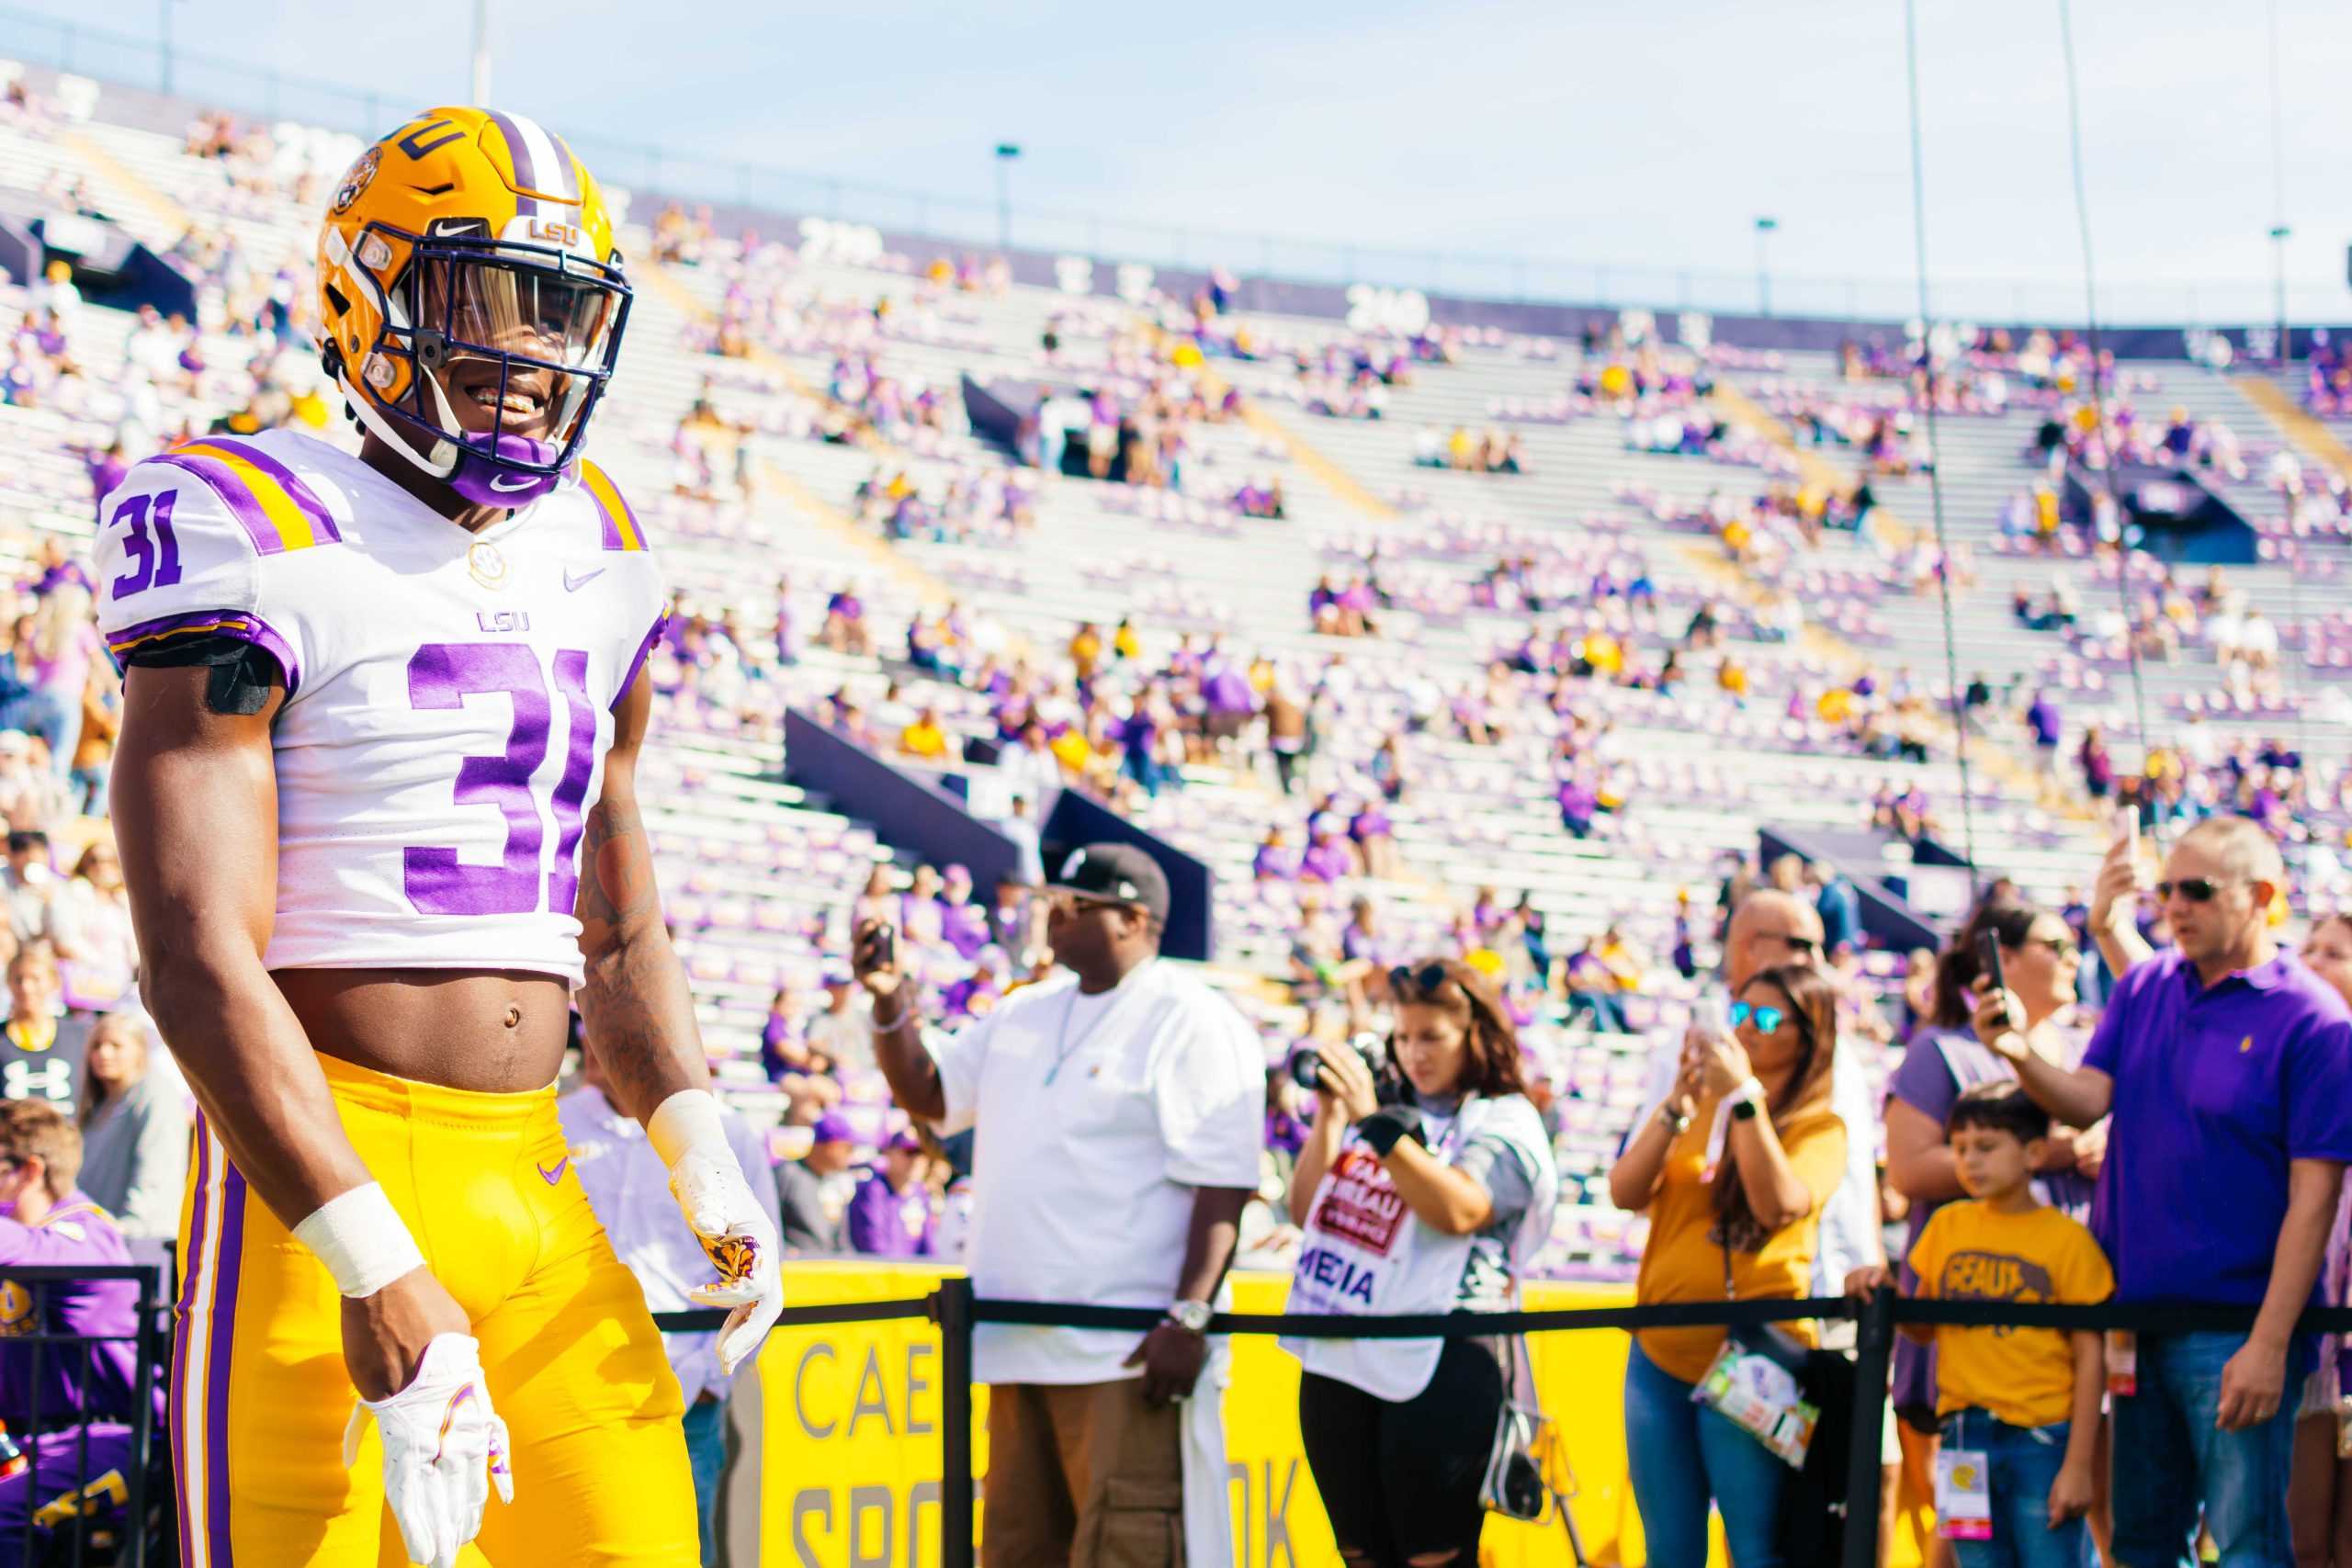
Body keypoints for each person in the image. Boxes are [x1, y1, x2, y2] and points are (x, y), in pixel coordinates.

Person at [102, 112, 780, 1567]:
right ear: (369, 294)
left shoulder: (596, 533)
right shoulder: (242, 512)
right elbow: (191, 948)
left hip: (538, 1185)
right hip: (308, 1195)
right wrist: (372, 1261)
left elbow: (615, 914)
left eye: (561, 309)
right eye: (488, 299)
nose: (531, 350)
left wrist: (694, 1135)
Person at [858, 842, 1261, 1566]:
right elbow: (931, 1092)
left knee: (1129, 1549)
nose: (1054, 915)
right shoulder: (1027, 1010)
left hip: (1124, 1351)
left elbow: (1223, 1181)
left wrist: (1190, 1314)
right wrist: (891, 998)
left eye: (1074, 904)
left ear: (1133, 919)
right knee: (1017, 1550)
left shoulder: (1193, 1017)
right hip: (1014, 1342)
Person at [1983, 817, 2352, 1565]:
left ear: (2262, 897)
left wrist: (2270, 1344)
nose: (2175, 906)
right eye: (2167, 890)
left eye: (2197, 890)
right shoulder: (2147, 983)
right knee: (2143, 1544)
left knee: (2251, 1546)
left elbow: (2315, 1198)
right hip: (2136, 1319)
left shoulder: (2314, 1018)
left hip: (2238, 1328)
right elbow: (2088, 1098)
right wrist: (2018, 1051)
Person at [1282, 960, 1557, 1568]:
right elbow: (1307, 1210)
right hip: (1345, 1350)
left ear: (1476, 1036)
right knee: (1360, 1553)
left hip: (1448, 1354)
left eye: (1432, 1036)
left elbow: (1459, 1208)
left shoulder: (1505, 1117)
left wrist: (1375, 1125)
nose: (1414, 1053)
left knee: (1433, 1557)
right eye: (1403, 1037)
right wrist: (1332, 1114)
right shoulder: (1375, 1110)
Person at [1607, 962, 1848, 1568]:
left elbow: (1777, 1205)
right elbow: (1625, 1191)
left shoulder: (1821, 1124)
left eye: (1767, 1018)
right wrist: (1676, 1105)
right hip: (1660, 1355)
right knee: (1670, 1549)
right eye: (1739, 1013)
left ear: (1808, 1033)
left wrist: (1744, 1098)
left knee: (1759, 1547)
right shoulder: (1698, 1106)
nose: (1747, 1029)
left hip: (1755, 1359)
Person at [1851, 1083, 2112, 1568]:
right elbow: (1923, 1326)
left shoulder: (2067, 1241)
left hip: (2042, 1437)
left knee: (2052, 1557)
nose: (1970, 1161)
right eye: (1961, 1148)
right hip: (1963, 1436)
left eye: (1987, 1147)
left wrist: (2079, 1465)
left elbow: (2090, 1353)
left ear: (2034, 1152)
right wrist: (1883, 1289)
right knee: (1977, 1561)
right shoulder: (1946, 1227)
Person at [557, 1040, 783, 1568]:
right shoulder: (554, 1121)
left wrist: (711, 1377)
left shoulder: (729, 1132)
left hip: (683, 1387)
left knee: (684, 1544)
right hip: (571, 1380)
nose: (593, 1040)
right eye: (585, 1024)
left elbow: (762, 1265)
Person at [1883, 902, 2096, 1444]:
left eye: (2075, 946)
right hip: (1978, 1341)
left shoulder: (2087, 1053)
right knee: (1971, 1508)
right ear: (2002, 957)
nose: (2074, 959)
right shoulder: (1941, 1051)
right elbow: (1908, 1170)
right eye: (2057, 947)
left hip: (2075, 1317)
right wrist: (2049, 1154)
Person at [0, 1101, 153, 1566]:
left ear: (29, 1171)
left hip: (118, 1438)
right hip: (28, 1439)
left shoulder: (88, 1234)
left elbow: (31, 1250)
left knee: (3, 1515)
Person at [2292, 913, 2352, 1568]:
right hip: (2306, 1337)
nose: (2310, 961)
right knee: (2302, 1540)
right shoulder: (2289, 1064)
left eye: (2332, 953)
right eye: (2306, 947)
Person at [74, 1009, 189, 1239]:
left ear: (139, 1050)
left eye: (116, 1045)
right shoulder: (96, 1106)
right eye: (97, 1046)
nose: (104, 1053)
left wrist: (131, 1225)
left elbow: (157, 1168)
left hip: (142, 1239)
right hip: (101, 1238)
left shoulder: (155, 1093)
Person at [0, 947, 85, 1111]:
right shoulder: (2, 1037)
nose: (26, 987)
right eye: (18, 979)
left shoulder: (79, 1035)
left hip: (67, 1133)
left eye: (35, 979)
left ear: (53, 982)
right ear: (8, 983)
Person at [843, 1127, 937, 1258]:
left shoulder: (921, 1194)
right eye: (910, 1151)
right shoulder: (873, 1189)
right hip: (881, 1274)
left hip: (913, 1274)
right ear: (889, 1153)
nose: (916, 1159)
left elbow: (929, 1248)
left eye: (923, 1152)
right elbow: (873, 1248)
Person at [775, 1111, 857, 1256]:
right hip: (793, 1268)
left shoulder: (837, 1182)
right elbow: (769, 1221)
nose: (851, 1155)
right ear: (828, 1146)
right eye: (848, 1148)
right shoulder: (787, 1174)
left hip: (826, 1270)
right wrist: (783, 1249)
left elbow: (842, 1242)